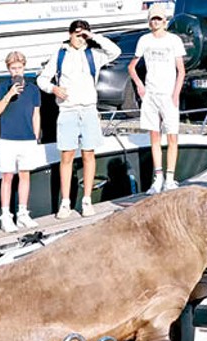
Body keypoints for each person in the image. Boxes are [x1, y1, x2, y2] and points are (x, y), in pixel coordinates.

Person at [37, 20, 120, 219]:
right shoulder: (60, 54)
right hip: (67, 111)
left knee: (88, 154)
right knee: (66, 157)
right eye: (76, 34)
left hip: (89, 110)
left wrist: (93, 37)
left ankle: (87, 200)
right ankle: (65, 202)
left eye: (83, 35)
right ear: (69, 34)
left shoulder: (94, 54)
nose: (79, 38)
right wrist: (53, 88)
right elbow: (42, 79)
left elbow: (115, 51)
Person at [128, 3, 186, 194]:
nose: (156, 22)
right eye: (153, 18)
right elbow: (132, 66)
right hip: (151, 94)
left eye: (159, 19)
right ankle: (158, 178)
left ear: (165, 21)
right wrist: (139, 85)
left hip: (168, 94)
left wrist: (176, 93)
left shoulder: (174, 40)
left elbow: (181, 70)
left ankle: (170, 178)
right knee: (154, 136)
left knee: (172, 136)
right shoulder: (144, 40)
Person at [0, 51, 41, 232]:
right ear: (8, 69)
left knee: (25, 175)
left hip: (27, 139)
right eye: (13, 68)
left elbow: (36, 113)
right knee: (7, 176)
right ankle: (6, 216)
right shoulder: (2, 86)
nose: (16, 71)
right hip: (7, 138)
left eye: (19, 68)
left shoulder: (33, 89)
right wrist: (9, 94)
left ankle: (23, 213)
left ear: (24, 67)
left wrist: (36, 136)